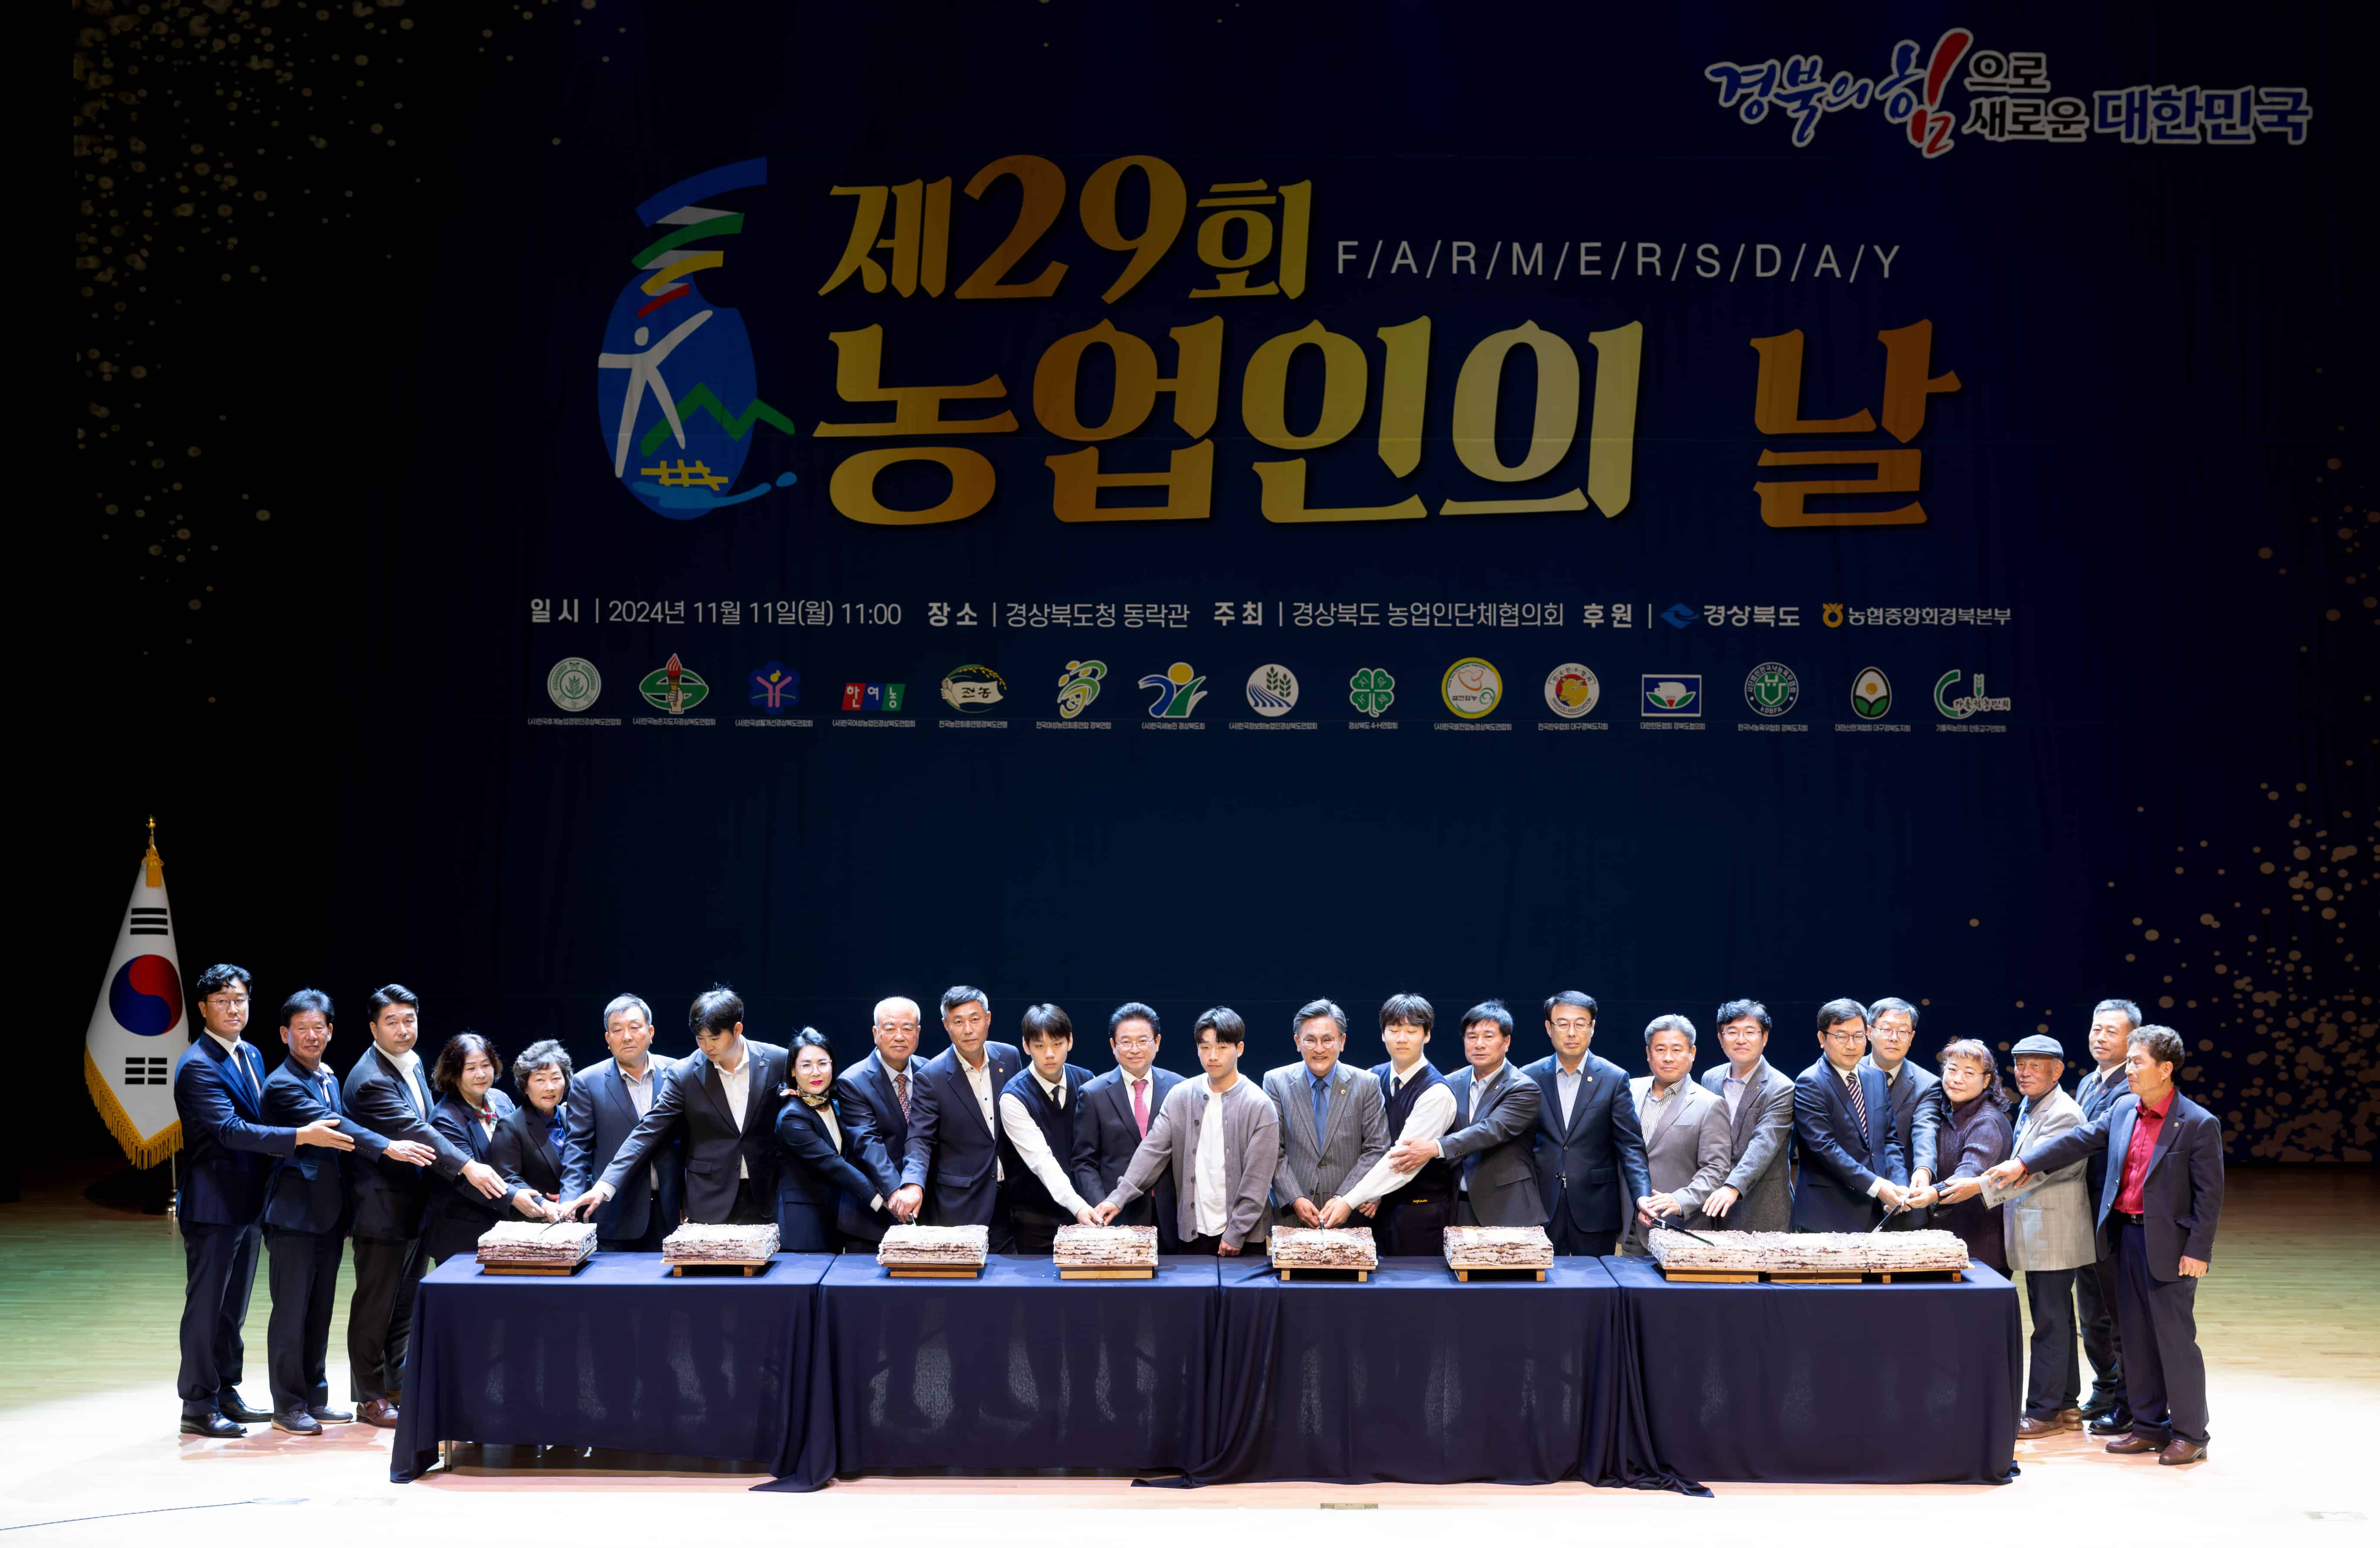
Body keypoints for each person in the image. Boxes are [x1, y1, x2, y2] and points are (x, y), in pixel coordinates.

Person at [1984, 1025, 2224, 1466]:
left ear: (2165, 1069)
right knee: (2131, 1337)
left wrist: (2198, 1250)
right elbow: (2078, 1141)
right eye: (2128, 1060)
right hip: (2121, 1239)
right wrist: (2023, 1162)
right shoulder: (2123, 1110)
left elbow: (2209, 1197)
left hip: (2169, 1246)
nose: (2128, 1069)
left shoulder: (2196, 1122)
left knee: (2173, 1341)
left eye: (2137, 1061)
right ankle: (2148, 1426)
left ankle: (2191, 1433)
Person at [173, 965, 354, 1437]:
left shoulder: (251, 1053)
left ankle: (226, 1392)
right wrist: (300, 1135)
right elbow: (230, 1131)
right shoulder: (197, 1065)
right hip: (213, 1204)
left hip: (252, 1202)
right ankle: (197, 1405)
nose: (233, 1009)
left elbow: (265, 1111)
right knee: (206, 1306)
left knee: (232, 1310)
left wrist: (318, 1082)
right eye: (222, 1001)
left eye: (240, 1000)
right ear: (203, 1008)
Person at [258, 989, 434, 1435]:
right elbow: (335, 1126)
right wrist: (387, 1145)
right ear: (285, 1034)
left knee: (318, 1313)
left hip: (328, 1215)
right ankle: (287, 1406)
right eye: (302, 1028)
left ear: (331, 1031)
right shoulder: (283, 1084)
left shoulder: (327, 1076)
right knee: (291, 1314)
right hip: (294, 1216)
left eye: (319, 1027)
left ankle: (315, 1398)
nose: (311, 1036)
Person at [343, 984, 504, 1429]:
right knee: (374, 1306)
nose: (402, 1029)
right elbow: (418, 1130)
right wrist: (467, 1165)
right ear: (374, 1028)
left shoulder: (411, 1062)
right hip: (381, 1211)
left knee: (402, 1305)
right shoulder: (371, 1078)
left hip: (413, 1209)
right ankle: (369, 1397)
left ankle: (394, 1383)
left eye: (409, 1020)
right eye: (391, 1022)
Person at [1966, 1034, 2095, 1438]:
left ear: (2056, 1071)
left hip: (2053, 1231)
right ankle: (2067, 1406)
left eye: (2035, 1066)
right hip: (2041, 1231)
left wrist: (1974, 1189)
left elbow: (2032, 1172)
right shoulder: (2031, 1104)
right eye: (2020, 1064)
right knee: (2056, 1318)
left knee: (2049, 1324)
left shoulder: (2063, 1113)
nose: (2023, 1073)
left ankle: (2042, 1412)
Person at [573, 987, 790, 1227]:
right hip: (709, 1197)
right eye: (700, 1039)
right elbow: (649, 1130)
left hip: (768, 1192)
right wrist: (605, 1186)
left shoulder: (777, 1060)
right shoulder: (685, 1074)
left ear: (737, 1029)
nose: (707, 1047)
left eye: (714, 1039)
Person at [1094, 1007, 1280, 1255]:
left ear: (1240, 1049)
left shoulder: (1259, 1104)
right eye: (1205, 1047)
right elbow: (1152, 1151)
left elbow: (1258, 1180)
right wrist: (1118, 1198)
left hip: (1244, 1237)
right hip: (1192, 1232)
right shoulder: (1181, 1095)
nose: (1212, 1056)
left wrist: (1237, 1232)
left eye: (1222, 1047)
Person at [1388, 1001, 1546, 1229]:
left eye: (1489, 1037)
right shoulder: (1449, 1083)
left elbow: (1491, 1130)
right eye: (1472, 1037)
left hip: (1507, 1208)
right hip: (1455, 1206)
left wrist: (1435, 1148)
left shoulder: (1523, 1087)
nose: (1479, 1044)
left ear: (1507, 1042)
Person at [888, 986, 1023, 1246]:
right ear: (946, 1025)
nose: (968, 1030)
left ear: (988, 1019)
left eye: (975, 1019)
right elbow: (920, 1139)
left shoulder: (1009, 1057)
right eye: (958, 1022)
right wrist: (913, 1184)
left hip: (1012, 1201)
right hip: (962, 1203)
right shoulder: (932, 1076)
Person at [1521, 991, 1646, 1253]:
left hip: (1596, 1205)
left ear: (1592, 1028)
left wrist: (1642, 1196)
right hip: (1541, 1204)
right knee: (1542, 1278)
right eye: (1563, 1024)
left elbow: (1630, 1146)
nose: (1571, 1033)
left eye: (1580, 1024)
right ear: (1549, 1028)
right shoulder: (1528, 1077)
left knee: (1594, 1279)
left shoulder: (1614, 1078)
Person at [562, 994, 685, 1253]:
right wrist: (569, 1203)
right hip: (615, 1213)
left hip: (672, 1212)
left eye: (635, 1027)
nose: (627, 1037)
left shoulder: (678, 1072)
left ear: (651, 1032)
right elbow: (577, 1151)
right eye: (617, 1030)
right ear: (608, 1039)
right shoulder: (588, 1082)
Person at [2072, 997, 2142, 1434]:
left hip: (2108, 1216)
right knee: (2090, 1312)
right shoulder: (2087, 1082)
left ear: (2132, 1041)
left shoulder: (2130, 1088)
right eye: (2096, 1029)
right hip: (2078, 1211)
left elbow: (2087, 1142)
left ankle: (2127, 1399)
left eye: (2110, 1031)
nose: (2099, 1037)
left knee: (2112, 1313)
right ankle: (2105, 1387)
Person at [1341, 993, 1456, 1257]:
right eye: (1393, 1030)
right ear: (1383, 1035)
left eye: (1411, 1031)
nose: (1402, 1038)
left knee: (1415, 1282)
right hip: (1372, 1208)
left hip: (1418, 1213)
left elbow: (1403, 1161)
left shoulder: (1437, 1092)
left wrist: (1351, 1199)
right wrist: (1371, 1194)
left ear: (1427, 1035)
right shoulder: (1373, 1077)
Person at [1262, 999, 1389, 1233]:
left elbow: (1377, 1148)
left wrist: (1346, 1198)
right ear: (1298, 1043)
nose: (1319, 1049)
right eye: (1310, 1040)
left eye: (1328, 1040)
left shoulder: (1367, 1084)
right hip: (1292, 1217)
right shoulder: (1276, 1082)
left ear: (1342, 1042)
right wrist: (1295, 1198)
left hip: (1351, 1217)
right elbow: (1272, 1150)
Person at [1071, 1003, 1184, 1250]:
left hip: (1174, 1214)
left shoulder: (1180, 1089)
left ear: (1157, 1042)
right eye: (1126, 1042)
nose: (1135, 1049)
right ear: (1114, 1045)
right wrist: (1102, 1207)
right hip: (1117, 1215)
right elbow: (1084, 1162)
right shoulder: (1093, 1094)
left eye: (1143, 1041)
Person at [1792, 997, 1910, 1231]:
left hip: (1877, 1211)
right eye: (1841, 1036)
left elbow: (1890, 1140)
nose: (1852, 1045)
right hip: (1828, 1212)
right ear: (1822, 1039)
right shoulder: (1811, 1082)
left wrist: (1898, 1186)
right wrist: (1878, 1186)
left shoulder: (1876, 1077)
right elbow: (1824, 1148)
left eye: (1858, 1036)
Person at [773, 1028, 894, 1250]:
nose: (816, 1073)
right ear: (793, 1070)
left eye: (823, 1064)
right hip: (804, 1222)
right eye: (806, 1065)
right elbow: (833, 1164)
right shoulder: (792, 1117)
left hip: (836, 1217)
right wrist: (881, 1199)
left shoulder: (837, 1102)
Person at [997, 1004, 1099, 1252]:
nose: (1050, 1054)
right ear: (1026, 1046)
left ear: (1070, 1041)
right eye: (1040, 1046)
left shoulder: (1088, 1081)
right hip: (1035, 1219)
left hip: (1088, 1211)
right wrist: (1077, 1205)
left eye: (1057, 1044)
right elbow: (1041, 1161)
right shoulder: (1013, 1097)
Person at [1626, 1015, 1731, 1251]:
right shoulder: (1629, 1091)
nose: (1668, 1057)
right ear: (1648, 1053)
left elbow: (1716, 1169)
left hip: (1680, 1227)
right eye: (1660, 1049)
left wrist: (1679, 1200)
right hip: (1630, 1224)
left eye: (1677, 1050)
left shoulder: (1710, 1104)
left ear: (1692, 1053)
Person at [1696, 1000, 1796, 1232]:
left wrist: (1732, 1187)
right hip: (1711, 1205)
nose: (1741, 1040)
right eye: (1732, 1032)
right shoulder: (1710, 1078)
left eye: (1750, 1032)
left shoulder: (1781, 1087)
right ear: (1720, 1038)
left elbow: (1764, 1144)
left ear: (1765, 1038)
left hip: (1762, 1207)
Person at [421, 1033, 519, 1263]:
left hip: (502, 1225)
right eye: (471, 1068)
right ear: (454, 1074)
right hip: (462, 1232)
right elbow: (469, 1182)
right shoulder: (445, 1118)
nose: (481, 1074)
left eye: (486, 1065)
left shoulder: (501, 1100)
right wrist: (517, 1199)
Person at [1919, 1038, 2013, 1275]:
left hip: (1979, 1247)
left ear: (1986, 1081)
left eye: (1969, 1073)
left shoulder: (1986, 1121)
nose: (1957, 1079)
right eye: (1952, 1070)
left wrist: (1931, 1194)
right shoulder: (1945, 1110)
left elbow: (1969, 1174)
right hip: (1950, 1241)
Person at [1861, 997, 1947, 1228]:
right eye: (1886, 1029)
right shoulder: (1848, 1075)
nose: (1894, 1037)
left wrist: (1924, 1169)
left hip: (1904, 1196)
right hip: (1852, 1197)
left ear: (1912, 1037)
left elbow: (1925, 1130)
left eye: (1903, 1031)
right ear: (1869, 1032)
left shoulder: (1927, 1084)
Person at [833, 996, 925, 1209]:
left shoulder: (930, 1072)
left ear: (918, 1033)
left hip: (924, 1198)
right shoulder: (853, 1081)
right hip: (876, 1204)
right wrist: (896, 1192)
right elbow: (868, 1143)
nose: (899, 1037)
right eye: (890, 1029)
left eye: (907, 1029)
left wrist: (915, 1186)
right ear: (876, 1033)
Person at [489, 1040, 574, 1224]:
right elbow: (508, 1178)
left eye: (556, 1078)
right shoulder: (510, 1126)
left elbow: (589, 1165)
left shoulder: (573, 1117)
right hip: (536, 1222)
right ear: (525, 1086)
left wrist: (572, 1195)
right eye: (540, 1080)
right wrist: (543, 1203)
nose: (550, 1087)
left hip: (577, 1216)